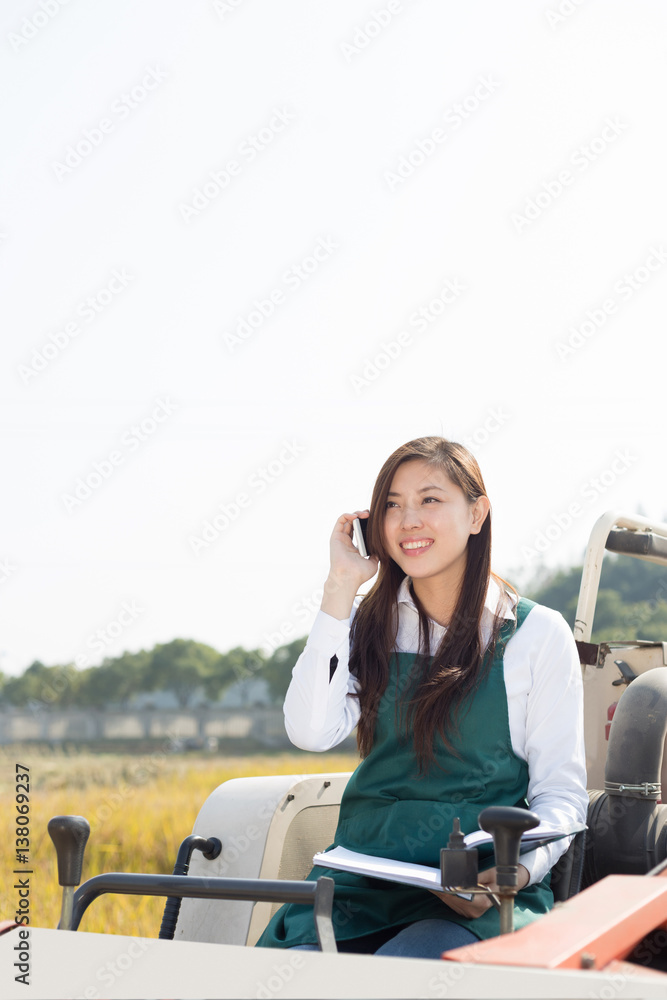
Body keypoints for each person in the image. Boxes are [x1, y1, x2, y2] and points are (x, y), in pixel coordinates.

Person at [256, 436, 588, 959]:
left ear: (477, 513)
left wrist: (511, 873)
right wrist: (341, 586)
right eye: (392, 505)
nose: (408, 520)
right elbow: (310, 731)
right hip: (359, 882)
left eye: (429, 500)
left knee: (396, 976)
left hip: (470, 898)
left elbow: (561, 797)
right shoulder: (369, 623)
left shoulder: (536, 634)